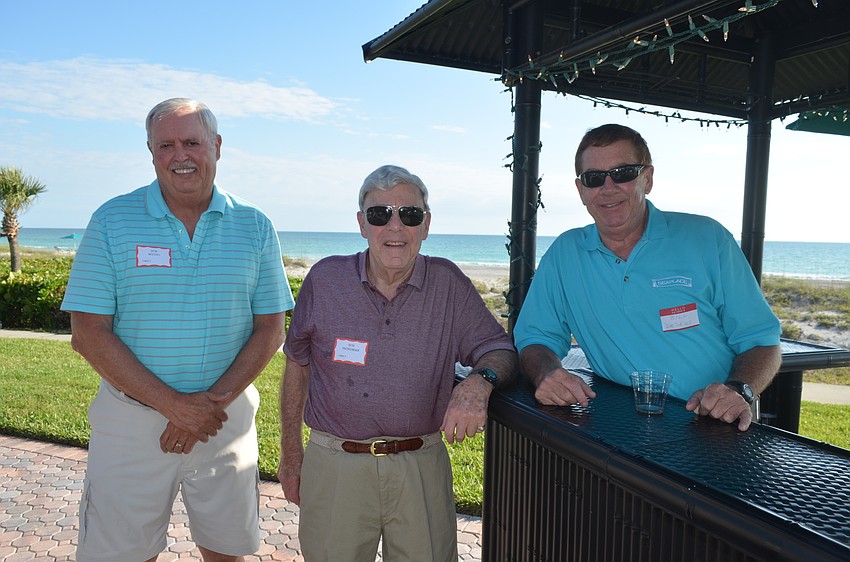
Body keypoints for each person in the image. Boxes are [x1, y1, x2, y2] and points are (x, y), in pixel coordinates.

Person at [61, 98, 294, 562]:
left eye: (192, 142)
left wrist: (207, 407)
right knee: (121, 554)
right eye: (165, 144)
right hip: (131, 424)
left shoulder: (255, 225)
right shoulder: (112, 221)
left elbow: (270, 327)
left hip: (223, 423)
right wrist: (175, 407)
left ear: (217, 146)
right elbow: (88, 332)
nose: (179, 155)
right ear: (150, 151)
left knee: (227, 551)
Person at [278, 164, 517, 562]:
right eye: (379, 214)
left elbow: (500, 349)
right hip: (335, 464)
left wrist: (478, 383)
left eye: (409, 214)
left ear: (425, 225)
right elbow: (296, 365)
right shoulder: (324, 281)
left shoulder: (448, 284)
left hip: (419, 466)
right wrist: (290, 452)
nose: (394, 227)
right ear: (361, 224)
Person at [513, 123, 781, 432]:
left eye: (624, 173)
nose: (608, 187)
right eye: (594, 178)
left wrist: (738, 390)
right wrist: (547, 374)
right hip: (621, 425)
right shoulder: (564, 254)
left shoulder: (707, 239)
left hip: (717, 424)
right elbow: (535, 337)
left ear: (647, 178)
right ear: (581, 189)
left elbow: (762, 342)